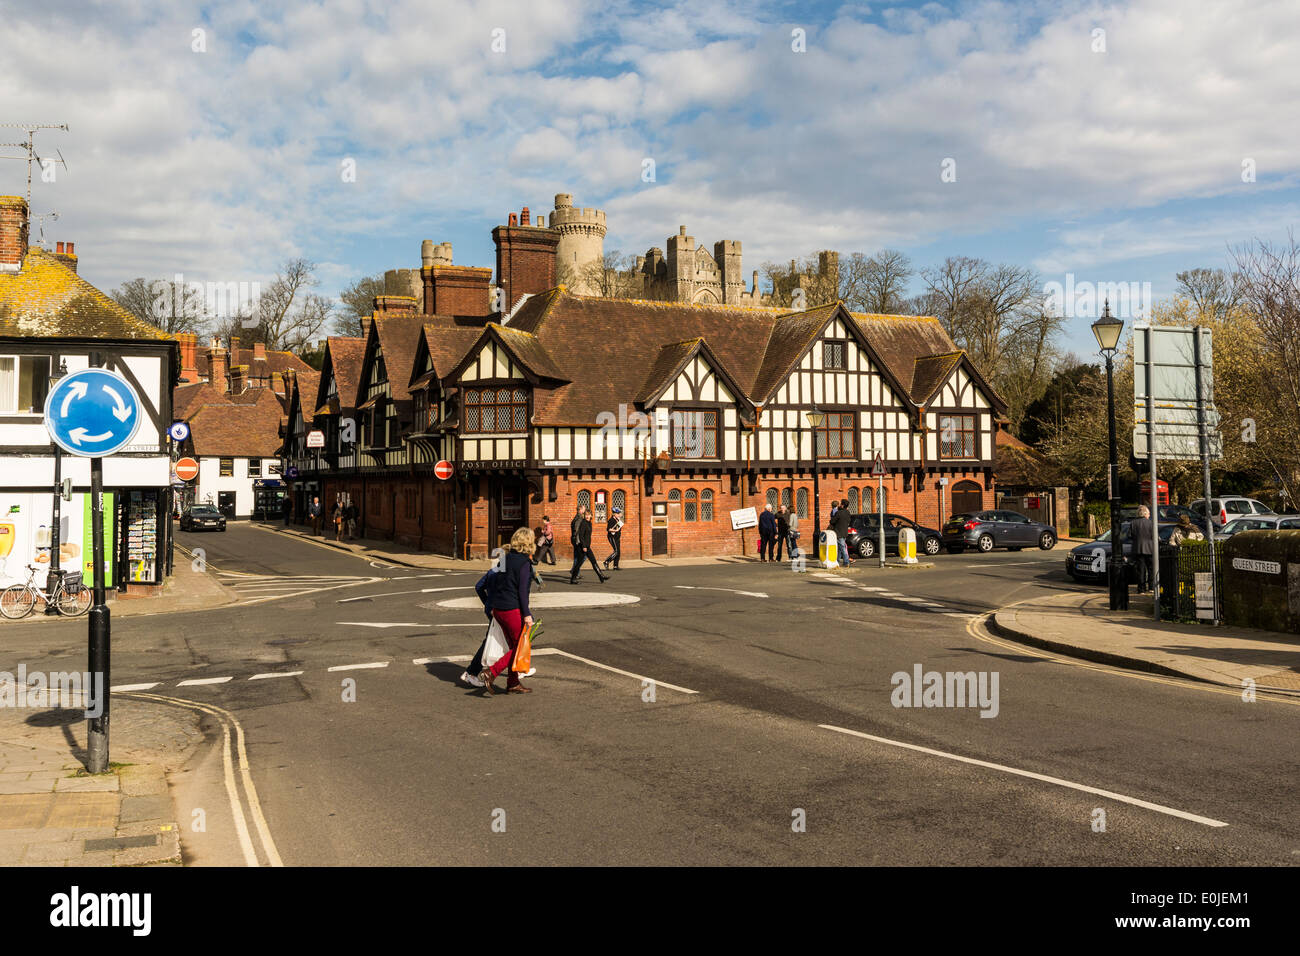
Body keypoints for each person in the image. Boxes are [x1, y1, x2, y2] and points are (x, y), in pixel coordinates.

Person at [478, 526, 538, 695]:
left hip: (498, 608)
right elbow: (522, 592)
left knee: (513, 645)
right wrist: (527, 614)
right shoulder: (525, 563)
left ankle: (513, 683)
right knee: (519, 647)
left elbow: (495, 583)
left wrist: (491, 605)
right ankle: (491, 672)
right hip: (512, 609)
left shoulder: (504, 558)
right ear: (529, 543)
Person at [570, 507, 607, 584]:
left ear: (591, 516)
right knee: (579, 563)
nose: (587, 516)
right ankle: (573, 579)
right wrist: (583, 546)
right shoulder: (583, 523)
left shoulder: (589, 523)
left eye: (588, 515)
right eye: (586, 515)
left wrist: (587, 546)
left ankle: (601, 576)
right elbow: (581, 536)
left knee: (593, 561)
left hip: (587, 546)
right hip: (583, 547)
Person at [1130, 505, 1155, 594]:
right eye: (1148, 513)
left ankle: (1141, 589)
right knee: (1151, 569)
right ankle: (1151, 587)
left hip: (1138, 549)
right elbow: (1154, 536)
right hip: (1150, 549)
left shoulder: (1133, 523)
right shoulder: (1151, 523)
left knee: (1141, 570)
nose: (1149, 515)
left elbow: (1131, 536)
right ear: (1145, 514)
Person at [831, 498, 853, 566]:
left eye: (841, 504)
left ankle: (846, 562)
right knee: (840, 548)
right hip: (845, 532)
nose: (840, 505)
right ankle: (837, 561)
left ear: (843, 505)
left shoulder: (839, 513)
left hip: (839, 532)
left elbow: (832, 521)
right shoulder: (848, 512)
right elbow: (849, 521)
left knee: (842, 547)